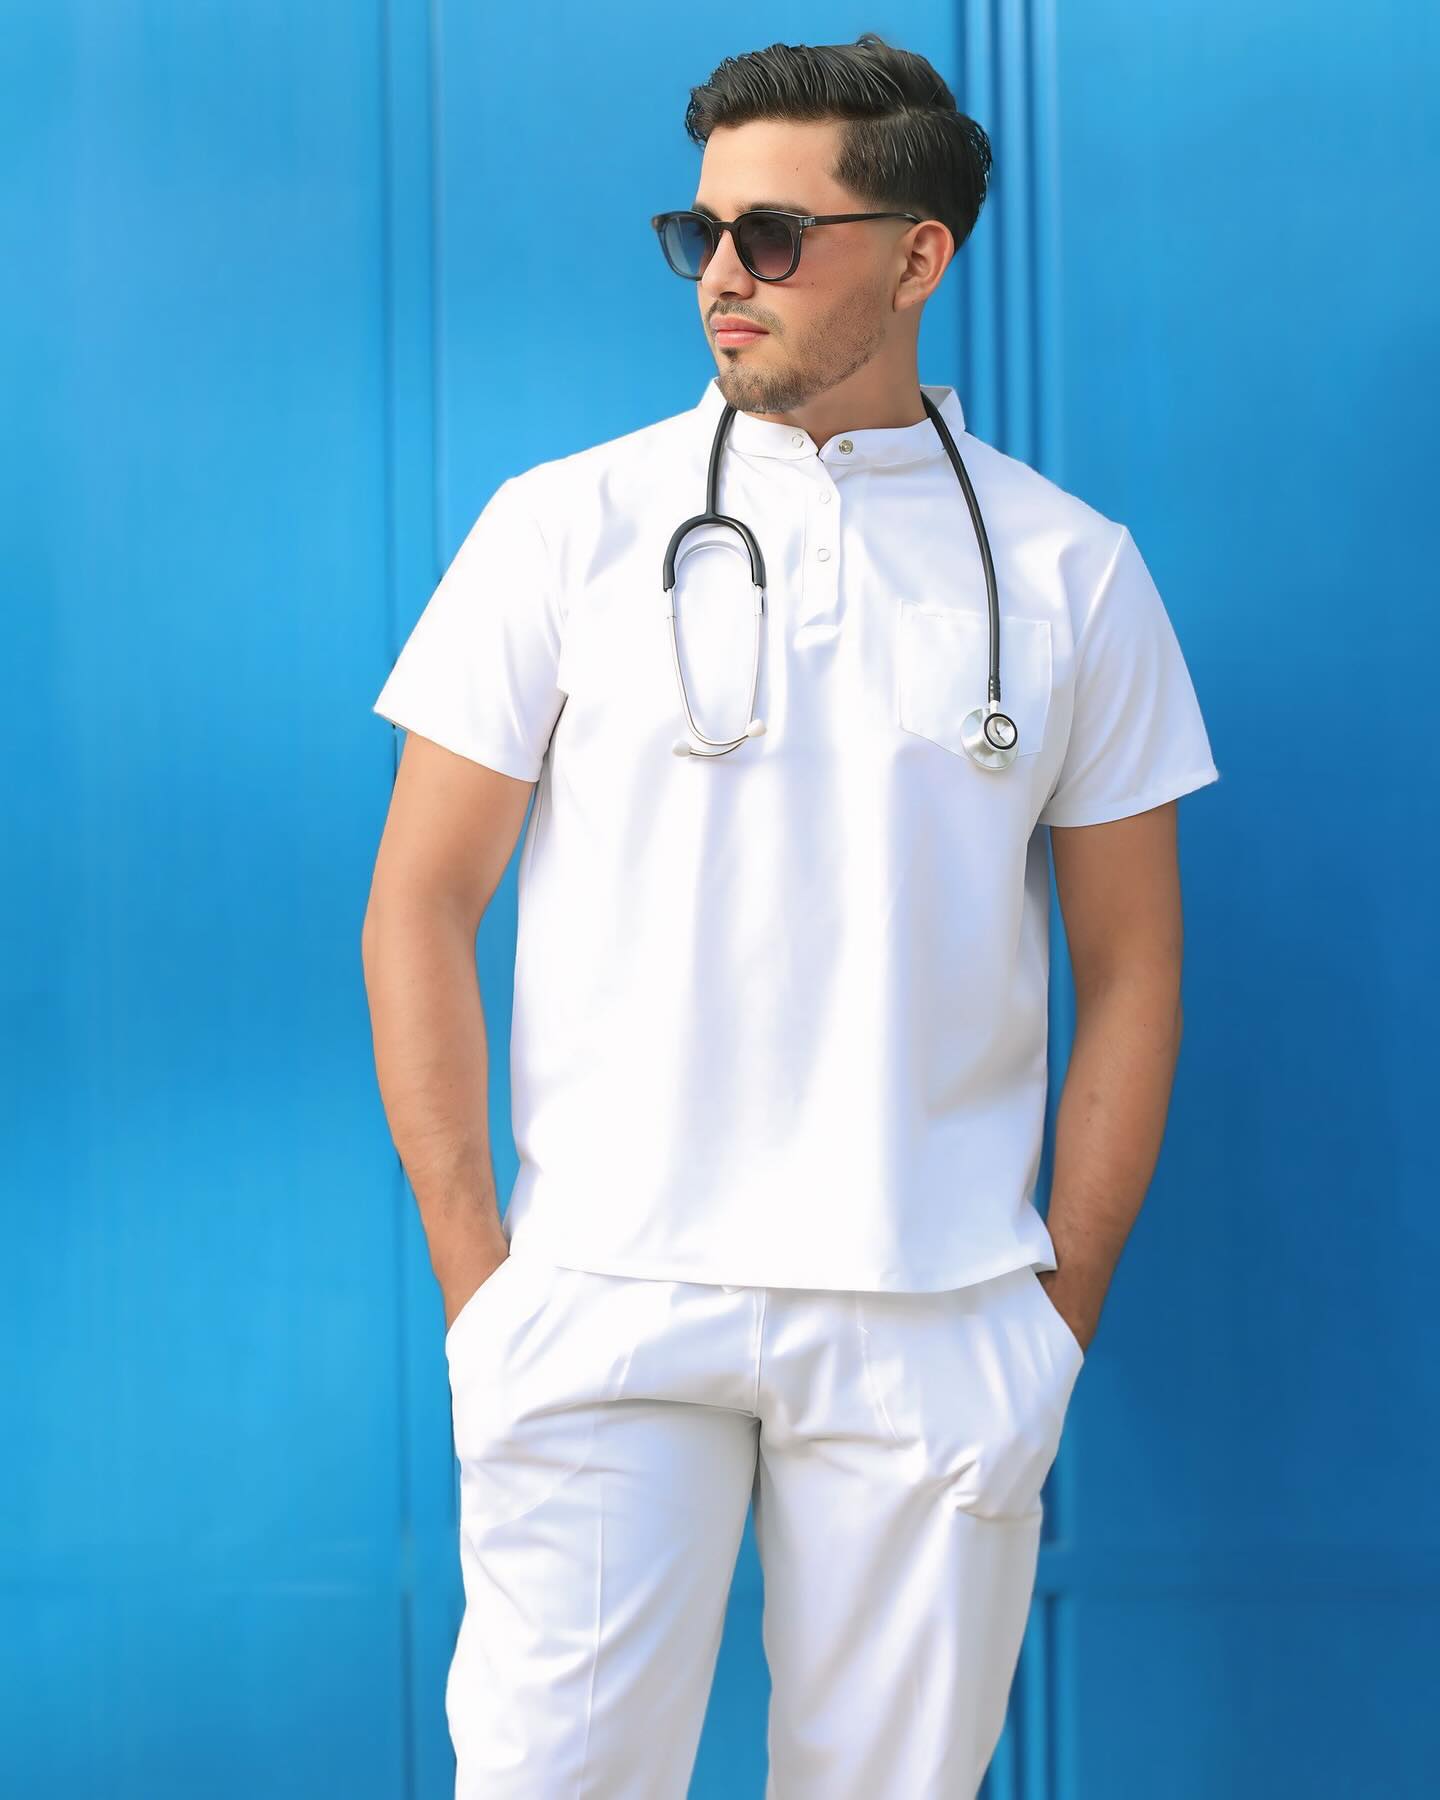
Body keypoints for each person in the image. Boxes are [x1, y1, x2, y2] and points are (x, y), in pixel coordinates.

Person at [360, 31, 1221, 1800]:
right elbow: (419, 906)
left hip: (934, 1313)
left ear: (919, 256)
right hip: (605, 1297)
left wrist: (1051, 1315)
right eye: (701, 234)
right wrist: (484, 1289)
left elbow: (1135, 967)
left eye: (772, 235)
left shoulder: (1071, 572)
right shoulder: (562, 530)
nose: (722, 278)